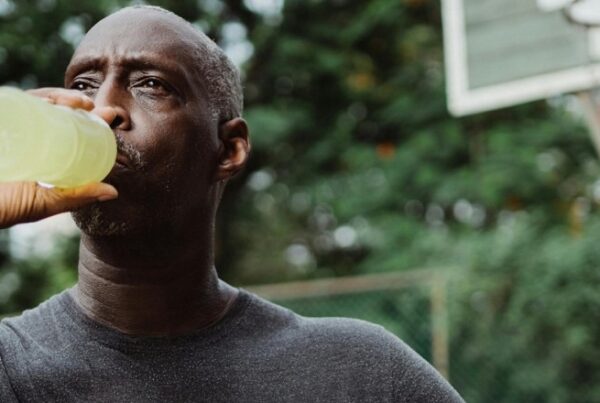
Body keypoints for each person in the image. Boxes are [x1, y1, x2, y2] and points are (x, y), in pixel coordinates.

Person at [0, 6, 464, 402]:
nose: (104, 108)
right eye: (82, 84)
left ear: (228, 149)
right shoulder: (11, 367)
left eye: (151, 85)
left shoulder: (356, 374)